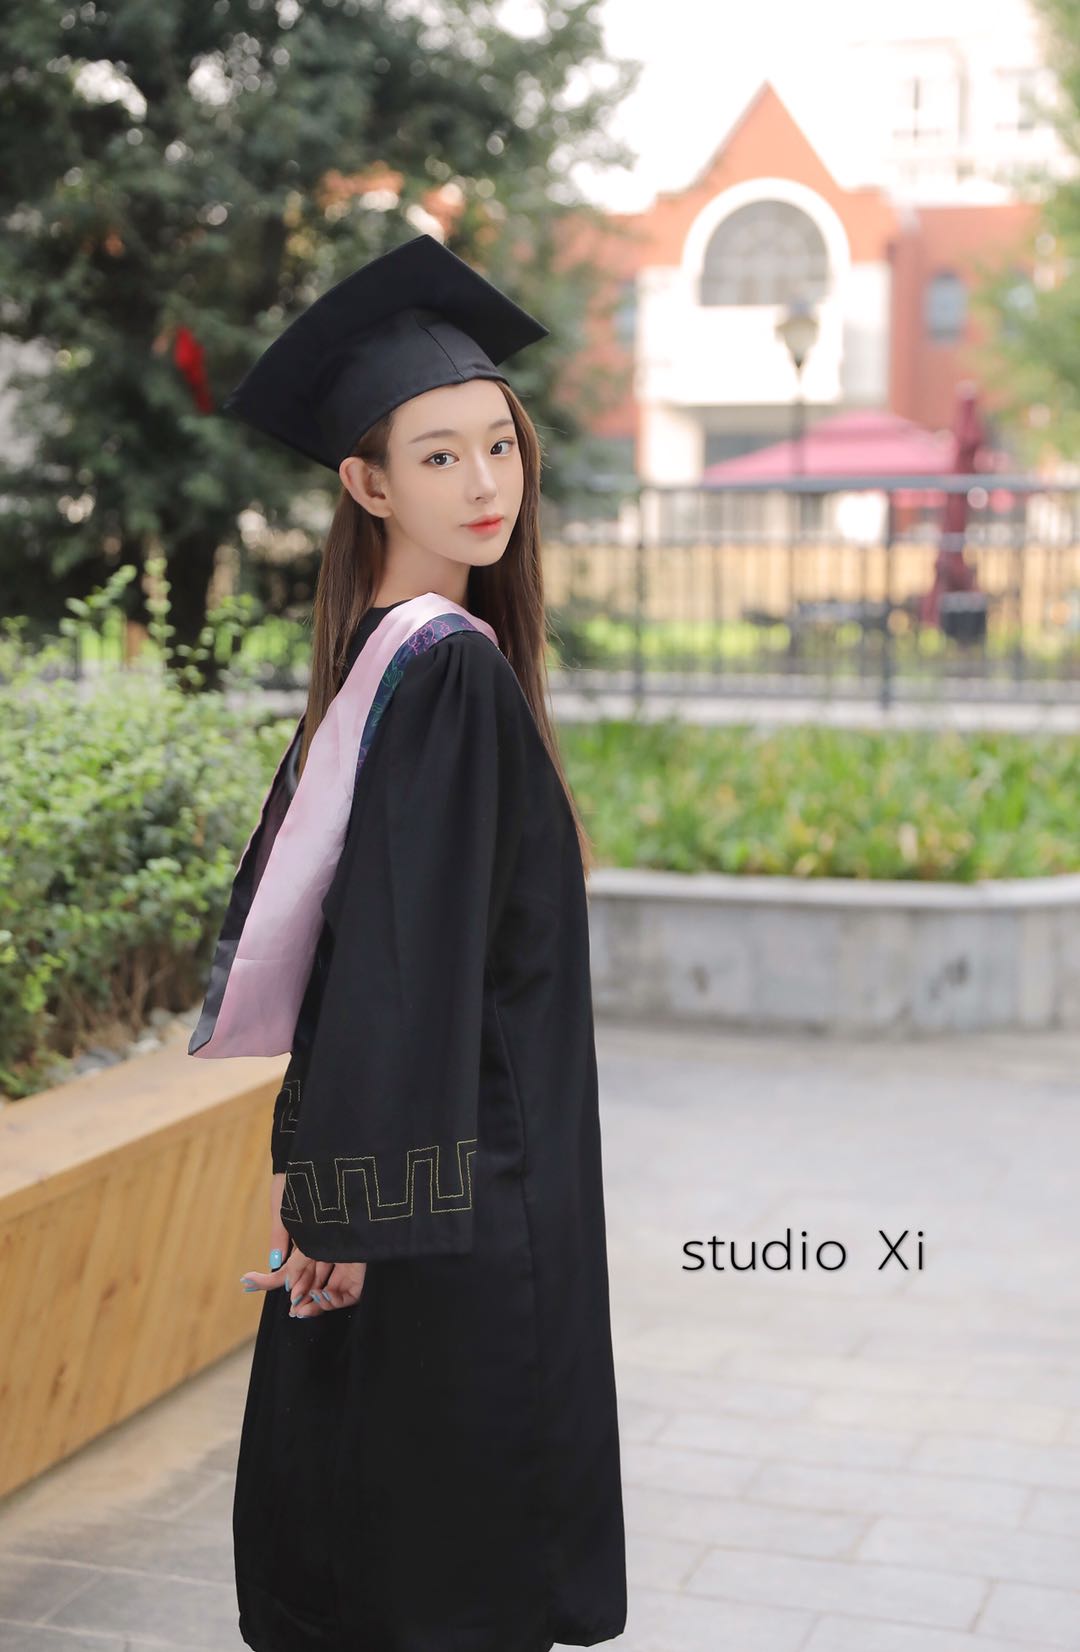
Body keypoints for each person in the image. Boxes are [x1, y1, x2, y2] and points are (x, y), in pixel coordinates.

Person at [187, 234, 627, 1652]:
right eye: (439, 456)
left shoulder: (385, 655)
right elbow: (401, 961)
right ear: (367, 485)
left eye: (499, 444)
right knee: (451, 1570)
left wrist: (329, 1181)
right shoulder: (442, 675)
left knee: (384, 1546)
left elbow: (359, 960)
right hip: (469, 1198)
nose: (487, 483)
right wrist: (350, 1211)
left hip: (419, 1181)